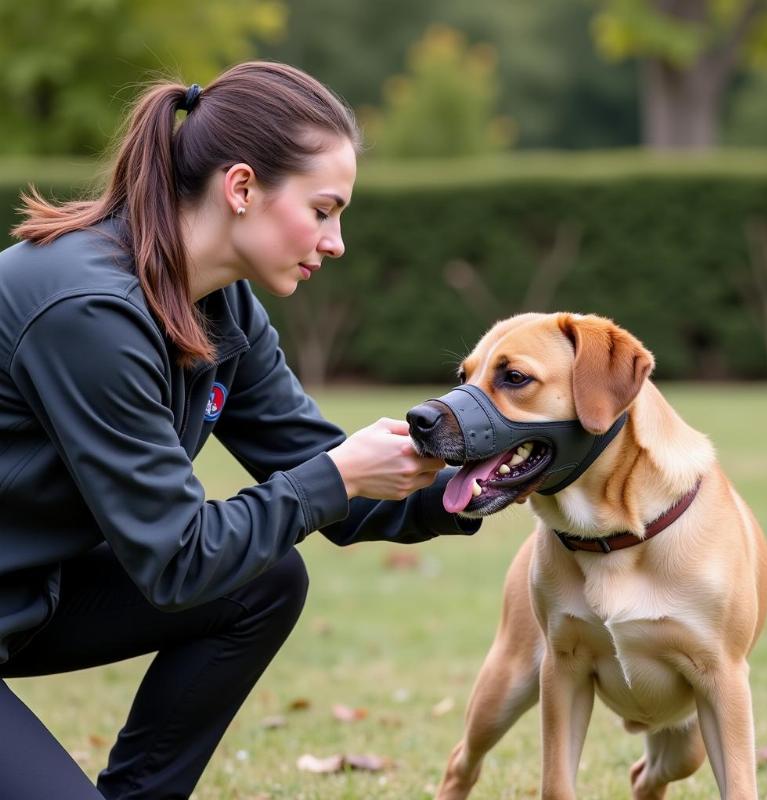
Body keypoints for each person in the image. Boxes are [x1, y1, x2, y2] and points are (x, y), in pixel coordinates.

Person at [0, 61, 480, 800]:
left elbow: (315, 471)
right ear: (243, 187)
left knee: (265, 579)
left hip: (27, 598)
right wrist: (341, 474)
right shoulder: (87, 311)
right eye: (323, 210)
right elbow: (178, 560)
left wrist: (482, 483)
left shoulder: (222, 310)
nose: (336, 240)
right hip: (26, 597)